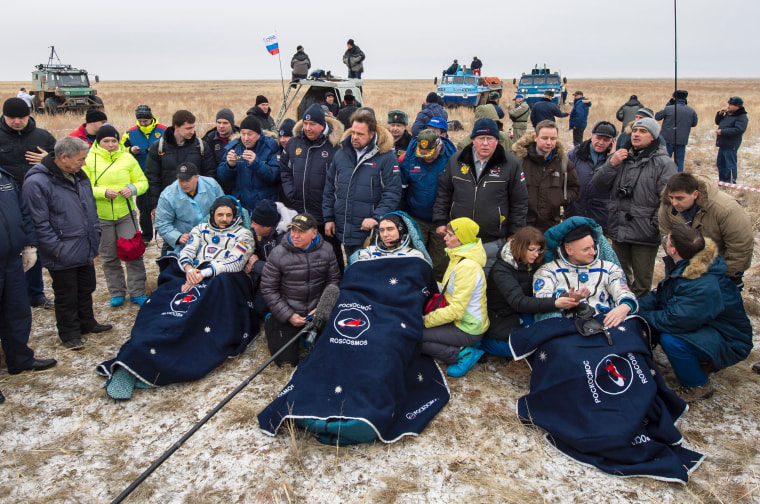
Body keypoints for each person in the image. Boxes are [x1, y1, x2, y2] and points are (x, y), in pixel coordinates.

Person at [97, 196, 256, 400]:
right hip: (189, 276)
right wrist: (190, 269)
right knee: (163, 307)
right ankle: (137, 352)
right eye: (220, 215)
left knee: (193, 318)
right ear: (212, 215)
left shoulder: (244, 234)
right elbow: (187, 251)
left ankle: (154, 360)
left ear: (235, 216)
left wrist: (203, 274)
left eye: (228, 215)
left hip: (218, 281)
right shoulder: (200, 229)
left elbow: (236, 261)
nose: (224, 219)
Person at [638, 225, 752, 402]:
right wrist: (631, 306)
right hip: (710, 326)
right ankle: (700, 360)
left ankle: (697, 384)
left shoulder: (701, 283)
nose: (665, 240)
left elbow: (674, 320)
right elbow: (662, 297)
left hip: (731, 340)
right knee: (658, 323)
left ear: (673, 249)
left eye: (667, 239)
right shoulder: (689, 265)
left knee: (672, 340)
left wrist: (641, 316)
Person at [22, 137, 112, 349]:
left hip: (84, 244)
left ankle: (86, 322)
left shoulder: (79, 176)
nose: (84, 163)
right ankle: (70, 333)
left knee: (86, 286)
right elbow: (38, 222)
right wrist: (55, 248)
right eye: (81, 159)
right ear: (63, 157)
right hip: (61, 250)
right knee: (66, 293)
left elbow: (89, 207)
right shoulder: (37, 182)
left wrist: (95, 232)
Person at [591, 117, 677, 297]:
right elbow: (598, 185)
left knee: (642, 283)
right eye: (635, 130)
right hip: (619, 228)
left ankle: (640, 316)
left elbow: (669, 201)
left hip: (645, 232)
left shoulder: (664, 163)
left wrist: (654, 224)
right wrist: (611, 164)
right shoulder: (621, 158)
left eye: (643, 131)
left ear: (653, 137)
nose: (636, 134)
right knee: (618, 276)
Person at [433, 117, 528, 275]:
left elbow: (519, 201)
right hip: (459, 238)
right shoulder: (456, 161)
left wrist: (514, 233)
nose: (485, 143)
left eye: (490, 139)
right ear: (473, 140)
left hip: (492, 239)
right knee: (460, 279)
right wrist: (440, 221)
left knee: (487, 282)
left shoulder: (511, 164)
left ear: (497, 140)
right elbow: (444, 192)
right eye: (481, 138)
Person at [480, 226, 579, 358]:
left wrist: (566, 296)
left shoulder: (533, 263)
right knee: (515, 349)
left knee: (539, 340)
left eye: (539, 250)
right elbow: (518, 301)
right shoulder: (502, 269)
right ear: (519, 247)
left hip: (523, 312)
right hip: (500, 314)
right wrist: (555, 303)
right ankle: (480, 343)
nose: (536, 254)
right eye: (531, 250)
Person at [82, 124, 149, 307]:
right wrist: (103, 192)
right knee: (109, 255)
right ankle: (117, 292)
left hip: (125, 212)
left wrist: (132, 189)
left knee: (133, 252)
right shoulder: (88, 159)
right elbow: (84, 187)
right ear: (98, 142)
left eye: (114, 140)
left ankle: (137, 291)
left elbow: (143, 182)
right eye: (106, 141)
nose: (111, 144)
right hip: (101, 215)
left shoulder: (127, 158)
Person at [260, 213, 341, 366]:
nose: (295, 235)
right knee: (285, 362)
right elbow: (268, 288)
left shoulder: (327, 250)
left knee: (334, 353)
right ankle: (274, 322)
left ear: (314, 233)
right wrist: (288, 315)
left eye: (301, 232)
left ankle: (311, 334)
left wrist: (322, 308)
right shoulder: (277, 253)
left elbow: (333, 281)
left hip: (317, 310)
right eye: (293, 231)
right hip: (289, 310)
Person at [0, 165, 57, 376]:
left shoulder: (4, 178)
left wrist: (30, 244)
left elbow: (23, 212)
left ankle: (19, 359)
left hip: (11, 260)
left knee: (17, 312)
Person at [0, 97, 56, 309]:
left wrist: (47, 160)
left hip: (38, 200)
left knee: (35, 246)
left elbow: (64, 162)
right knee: (9, 247)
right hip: (5, 204)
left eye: (21, 117)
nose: (16, 121)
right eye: (11, 117)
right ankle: (11, 296)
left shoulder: (42, 136)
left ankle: (35, 294)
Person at [323, 109, 402, 258]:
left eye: (360, 134)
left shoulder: (385, 157)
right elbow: (330, 188)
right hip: (344, 226)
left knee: (367, 269)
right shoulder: (341, 154)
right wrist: (328, 218)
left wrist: (376, 217)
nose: (354, 137)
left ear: (372, 134)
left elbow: (392, 193)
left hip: (369, 232)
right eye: (353, 132)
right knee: (351, 265)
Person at [533, 219, 638, 328]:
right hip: (565, 325)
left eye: (593, 247)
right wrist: (566, 297)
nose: (593, 252)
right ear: (569, 250)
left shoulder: (609, 268)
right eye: (586, 249)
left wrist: (625, 306)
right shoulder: (548, 270)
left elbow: (623, 291)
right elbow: (540, 299)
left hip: (604, 322)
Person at [659, 172, 752, 289]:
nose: (674, 203)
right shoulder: (668, 205)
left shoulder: (726, 209)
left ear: (695, 194)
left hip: (719, 266)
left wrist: (730, 275)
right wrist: (678, 263)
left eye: (679, 198)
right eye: (671, 197)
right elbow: (666, 234)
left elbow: (740, 246)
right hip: (683, 264)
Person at [280, 103, 345, 269]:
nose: (308, 128)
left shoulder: (334, 146)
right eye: (306, 124)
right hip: (300, 211)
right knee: (303, 257)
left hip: (324, 215)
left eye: (313, 124)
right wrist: (291, 192)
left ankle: (337, 286)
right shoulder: (294, 144)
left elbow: (341, 181)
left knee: (331, 255)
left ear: (322, 125)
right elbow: (285, 170)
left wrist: (331, 213)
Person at [422, 218, 489, 378]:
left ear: (463, 240)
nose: (445, 238)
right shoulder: (458, 257)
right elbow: (449, 287)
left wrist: (425, 320)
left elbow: (456, 311)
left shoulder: (468, 267)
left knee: (416, 336)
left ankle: (461, 353)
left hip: (467, 326)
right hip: (460, 321)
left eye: (450, 235)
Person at [400, 129, 457, 280]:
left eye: (431, 154)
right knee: (415, 258)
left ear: (439, 147)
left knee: (440, 262)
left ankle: (437, 293)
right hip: (416, 216)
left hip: (444, 220)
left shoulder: (452, 158)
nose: (427, 158)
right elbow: (402, 187)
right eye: (423, 155)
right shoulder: (411, 157)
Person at [512, 120, 579, 232]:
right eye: (544, 138)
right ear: (535, 137)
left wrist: (559, 198)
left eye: (553, 139)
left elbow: (574, 188)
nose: (549, 143)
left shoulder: (563, 162)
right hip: (524, 225)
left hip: (551, 225)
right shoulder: (520, 161)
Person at [145, 109, 216, 215]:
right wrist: (155, 205)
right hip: (169, 204)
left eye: (193, 127)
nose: (192, 131)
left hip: (197, 205)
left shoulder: (201, 147)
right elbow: (152, 178)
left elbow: (210, 176)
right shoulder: (159, 148)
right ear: (176, 127)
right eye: (188, 128)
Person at [155, 162, 224, 256]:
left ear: (196, 177)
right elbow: (162, 223)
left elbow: (224, 208)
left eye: (187, 180)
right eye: (181, 180)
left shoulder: (212, 185)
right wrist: (177, 237)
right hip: (184, 241)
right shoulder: (168, 195)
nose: (184, 184)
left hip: (212, 236)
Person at [122, 104, 167, 242]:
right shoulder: (130, 133)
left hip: (161, 175)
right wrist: (130, 150)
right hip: (140, 176)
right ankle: (146, 237)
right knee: (143, 208)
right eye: (140, 121)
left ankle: (165, 235)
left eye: (145, 121)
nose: (142, 123)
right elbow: (121, 149)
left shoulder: (164, 130)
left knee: (164, 206)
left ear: (151, 118)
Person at [217, 115, 279, 215]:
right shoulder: (234, 147)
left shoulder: (270, 147)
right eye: (243, 134)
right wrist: (230, 166)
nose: (246, 138)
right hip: (241, 206)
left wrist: (256, 164)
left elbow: (274, 176)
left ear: (259, 134)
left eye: (250, 134)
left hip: (264, 205)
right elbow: (221, 176)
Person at [565, 120, 618, 231]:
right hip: (575, 210)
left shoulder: (616, 161)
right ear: (591, 136)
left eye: (606, 140)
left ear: (613, 142)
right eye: (598, 138)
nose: (601, 142)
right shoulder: (575, 154)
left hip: (599, 213)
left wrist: (611, 159)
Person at [244, 199, 291, 318]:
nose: (251, 226)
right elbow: (255, 248)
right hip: (267, 275)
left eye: (255, 223)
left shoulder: (286, 240)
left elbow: (282, 271)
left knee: (261, 309)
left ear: (267, 226)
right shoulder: (260, 233)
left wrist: (255, 264)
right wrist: (251, 256)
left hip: (287, 283)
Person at [655, 90, 698, 172]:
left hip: (667, 139)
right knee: (679, 161)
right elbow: (694, 123)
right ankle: (679, 178)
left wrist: (668, 104)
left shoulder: (668, 108)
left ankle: (664, 175)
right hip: (682, 140)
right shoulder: (691, 111)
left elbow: (657, 117)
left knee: (665, 159)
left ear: (674, 98)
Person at [714, 96, 748, 183]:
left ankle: (731, 183)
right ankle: (722, 181)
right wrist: (720, 114)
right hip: (723, 143)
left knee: (730, 165)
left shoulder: (741, 117)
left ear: (737, 106)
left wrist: (723, 132)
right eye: (728, 104)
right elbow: (718, 122)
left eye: (731, 104)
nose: (728, 106)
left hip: (731, 144)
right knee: (720, 164)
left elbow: (739, 130)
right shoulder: (728, 114)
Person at [201, 108, 239, 173]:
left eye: (225, 123)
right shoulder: (208, 140)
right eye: (219, 122)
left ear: (231, 124)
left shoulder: (240, 138)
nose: (221, 126)